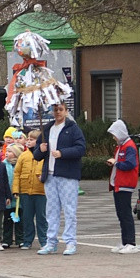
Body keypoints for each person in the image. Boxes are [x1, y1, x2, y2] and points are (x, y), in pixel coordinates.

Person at [32, 102, 87, 255]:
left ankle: (70, 242)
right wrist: (40, 150)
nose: (58, 112)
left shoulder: (73, 129)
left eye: (61, 110)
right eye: (55, 110)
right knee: (51, 210)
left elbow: (81, 148)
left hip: (67, 175)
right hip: (50, 175)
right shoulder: (47, 129)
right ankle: (51, 242)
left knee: (69, 209)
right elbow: (36, 154)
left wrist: (63, 153)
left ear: (66, 111)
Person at [107, 119, 139, 254]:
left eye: (114, 134)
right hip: (118, 184)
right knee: (121, 214)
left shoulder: (129, 146)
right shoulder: (121, 146)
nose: (113, 137)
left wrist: (116, 163)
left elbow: (130, 164)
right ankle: (125, 241)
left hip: (125, 184)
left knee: (125, 214)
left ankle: (131, 242)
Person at [13, 129, 47, 250]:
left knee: (41, 218)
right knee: (27, 217)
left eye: (31, 139)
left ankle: (44, 241)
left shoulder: (44, 156)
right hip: (25, 191)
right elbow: (17, 173)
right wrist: (16, 190)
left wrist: (43, 177)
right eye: (27, 139)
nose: (28, 141)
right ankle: (27, 241)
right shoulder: (23, 156)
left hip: (41, 191)